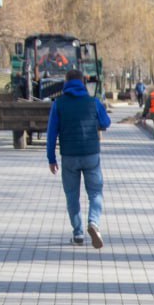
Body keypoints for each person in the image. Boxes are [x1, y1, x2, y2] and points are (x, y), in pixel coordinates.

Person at [47, 69, 111, 248]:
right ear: (83, 83)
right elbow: (106, 122)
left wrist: (51, 158)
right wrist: (93, 122)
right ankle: (94, 222)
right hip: (91, 154)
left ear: (66, 83)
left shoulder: (58, 104)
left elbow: (51, 133)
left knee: (72, 196)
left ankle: (78, 234)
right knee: (95, 193)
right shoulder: (93, 102)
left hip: (69, 156)